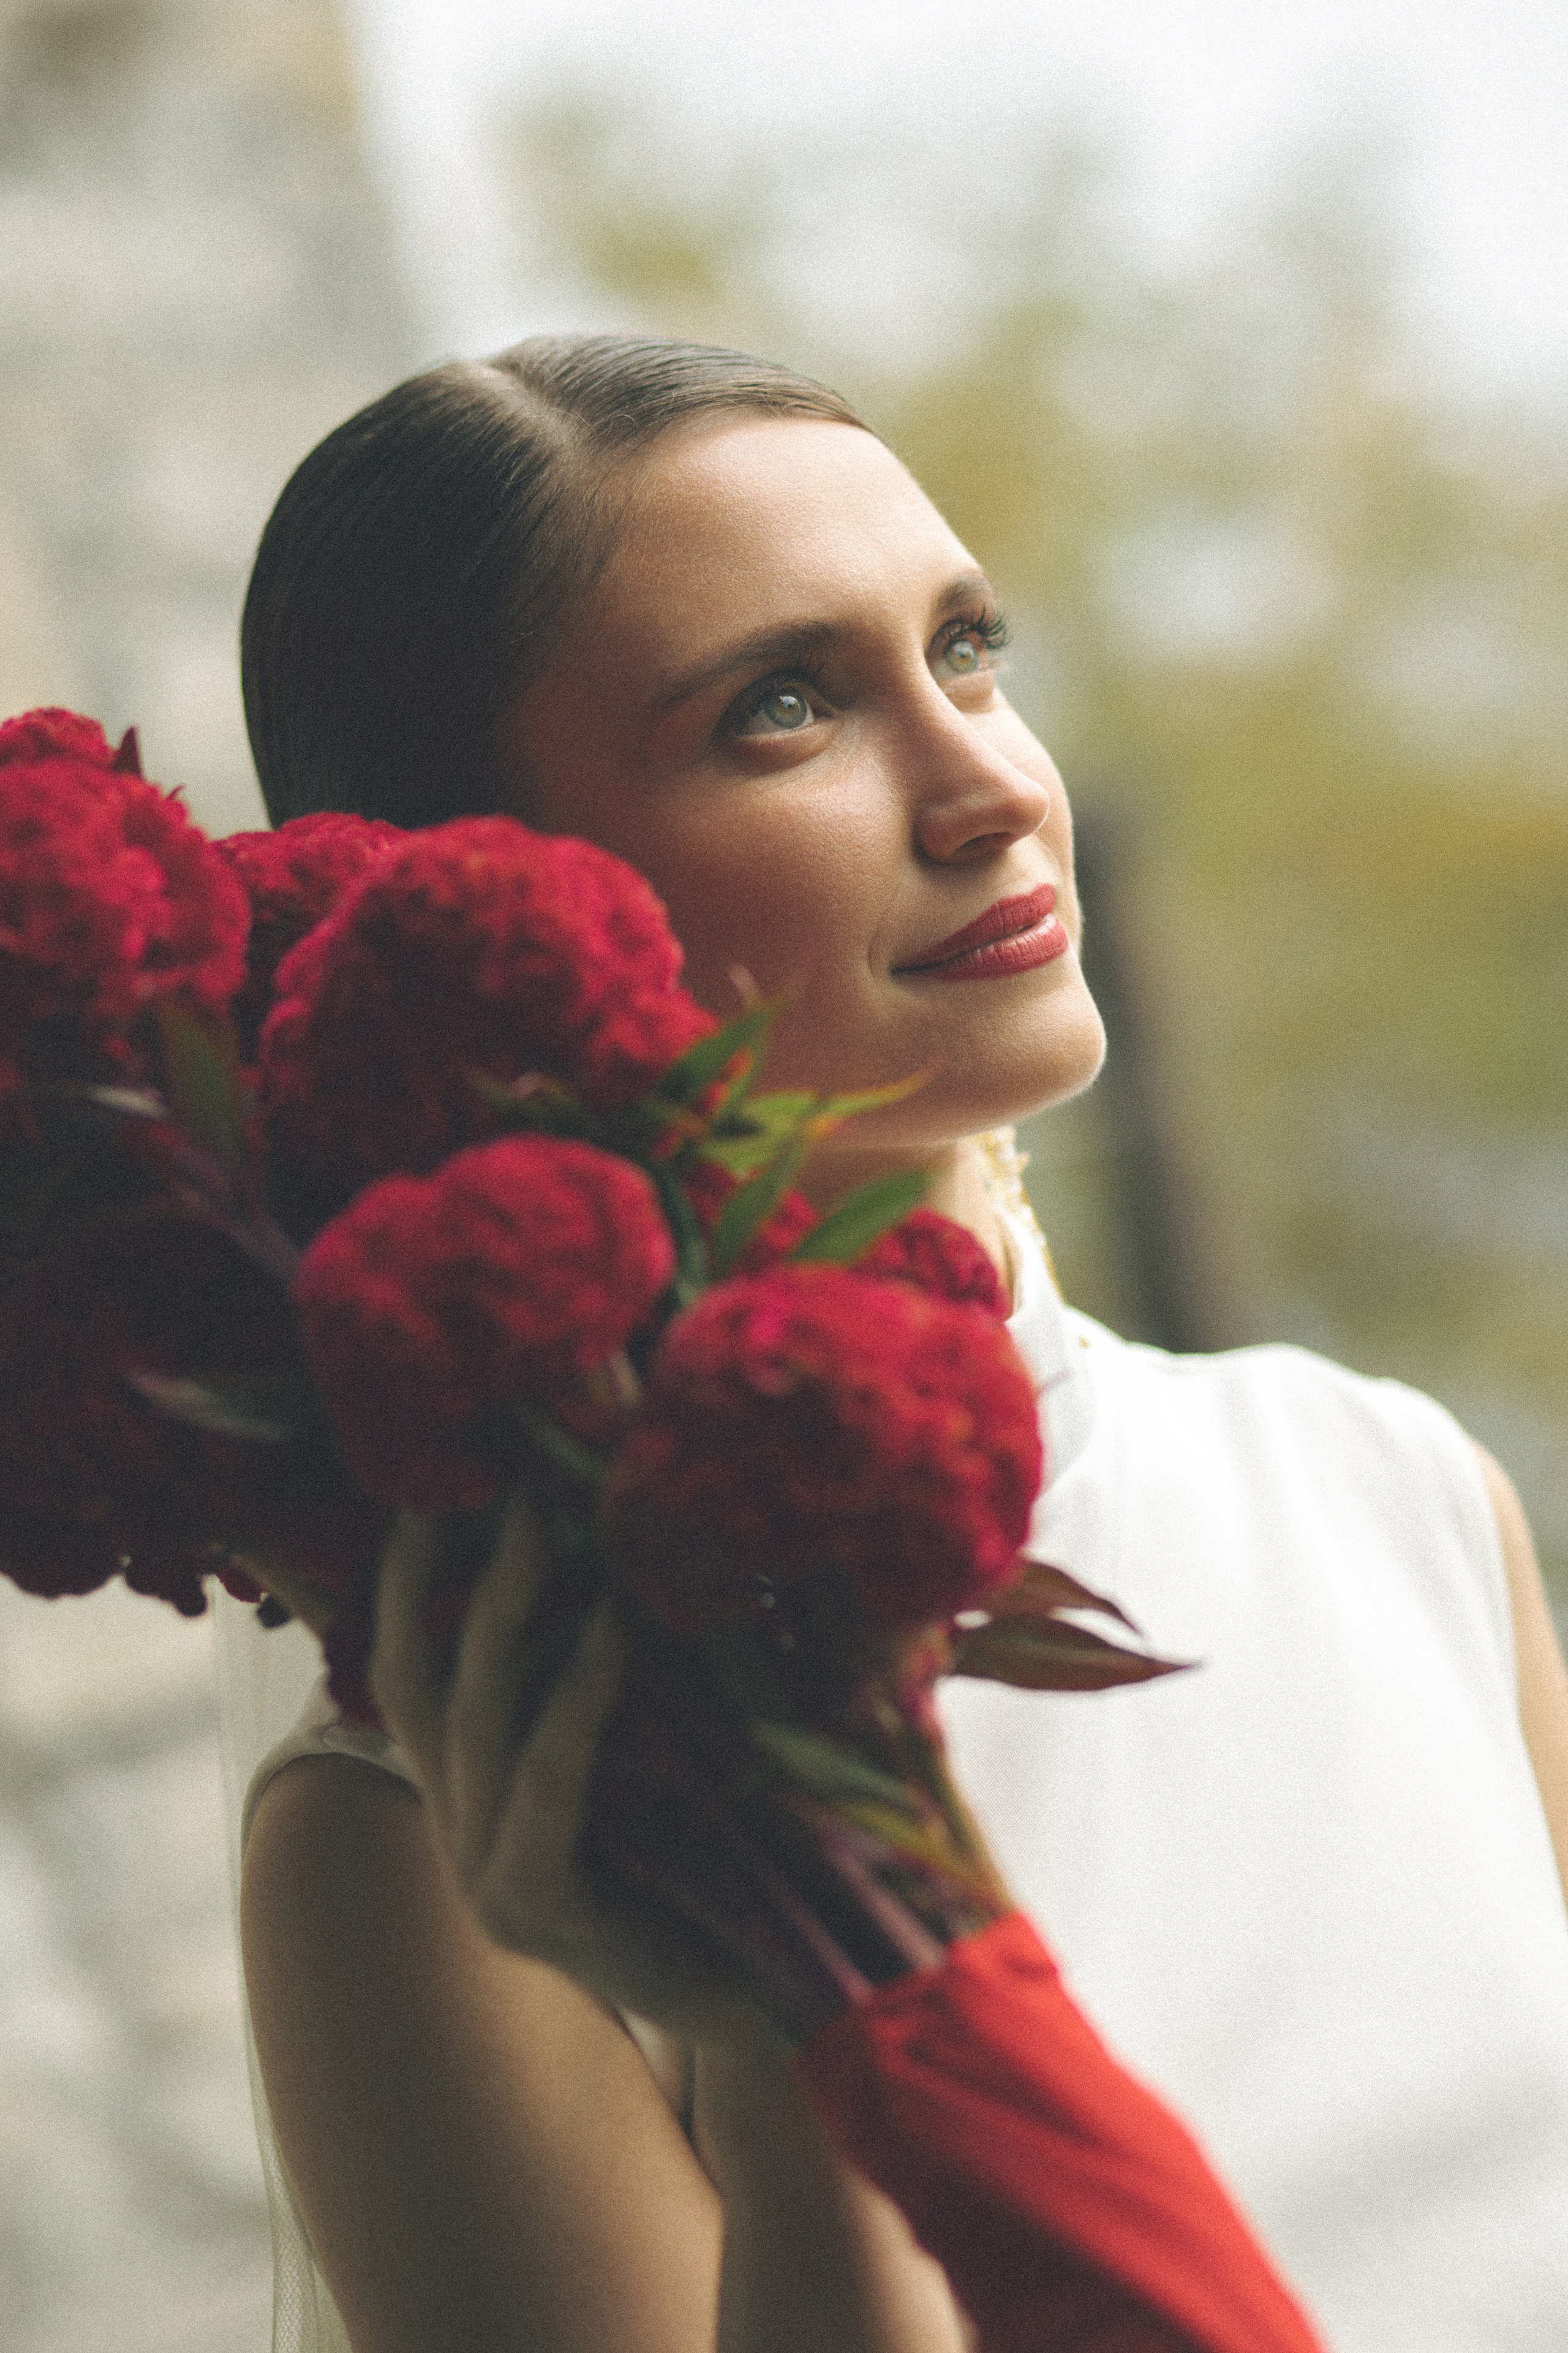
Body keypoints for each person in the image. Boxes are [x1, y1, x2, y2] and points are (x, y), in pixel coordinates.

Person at [224, 335, 1568, 2353]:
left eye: (967, 650)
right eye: (785, 706)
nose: (994, 783)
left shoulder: (1393, 1490)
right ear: (488, 906)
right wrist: (805, 2044)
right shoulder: (443, 1827)